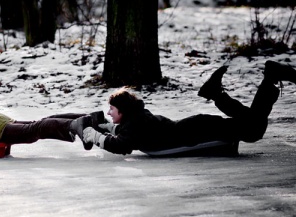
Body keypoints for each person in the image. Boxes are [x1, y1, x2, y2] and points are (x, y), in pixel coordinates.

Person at [72, 60, 296, 155]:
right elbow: (125, 133)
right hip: (195, 126)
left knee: (253, 129)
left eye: (112, 109)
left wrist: (94, 135)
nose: (109, 113)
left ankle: (267, 78)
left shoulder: (136, 124)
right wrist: (106, 127)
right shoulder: (137, 119)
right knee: (250, 125)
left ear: (123, 111)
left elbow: (122, 146)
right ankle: (217, 92)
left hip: (196, 131)